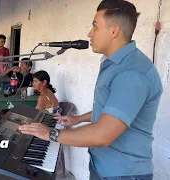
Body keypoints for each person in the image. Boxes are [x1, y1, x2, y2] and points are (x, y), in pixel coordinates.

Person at [19, 1, 162, 179]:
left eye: (95, 27)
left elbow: (103, 134)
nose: (89, 33)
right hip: (103, 167)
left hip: (122, 174)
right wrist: (78, 119)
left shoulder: (132, 73)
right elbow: (113, 109)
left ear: (114, 31)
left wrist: (50, 133)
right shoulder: (115, 64)